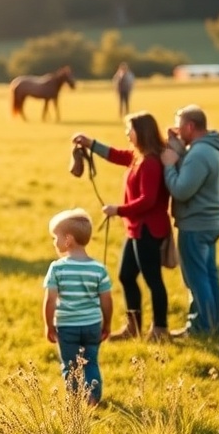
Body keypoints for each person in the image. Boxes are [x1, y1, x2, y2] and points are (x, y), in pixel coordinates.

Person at [72, 111, 172, 342]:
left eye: (130, 130)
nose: (127, 133)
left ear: (142, 132)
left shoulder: (150, 163)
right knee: (126, 276)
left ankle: (160, 329)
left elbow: (148, 200)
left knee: (152, 280)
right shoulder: (138, 157)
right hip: (136, 229)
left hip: (149, 229)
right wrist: (90, 143)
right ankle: (133, 326)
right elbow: (116, 155)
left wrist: (118, 210)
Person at [160, 104, 219, 337]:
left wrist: (169, 165)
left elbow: (181, 190)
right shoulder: (215, 149)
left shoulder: (198, 154)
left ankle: (201, 327)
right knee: (209, 275)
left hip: (195, 225)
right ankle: (214, 324)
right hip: (213, 221)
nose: (177, 131)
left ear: (190, 126)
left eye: (180, 126)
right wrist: (180, 150)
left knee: (195, 278)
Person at [43, 207, 113, 405]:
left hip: (66, 326)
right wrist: (106, 324)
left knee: (70, 364)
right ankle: (92, 398)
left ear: (68, 239)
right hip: (92, 325)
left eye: (55, 237)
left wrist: (49, 325)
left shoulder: (57, 268)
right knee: (91, 361)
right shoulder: (99, 269)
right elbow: (107, 300)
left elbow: (50, 300)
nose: (54, 242)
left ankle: (74, 400)